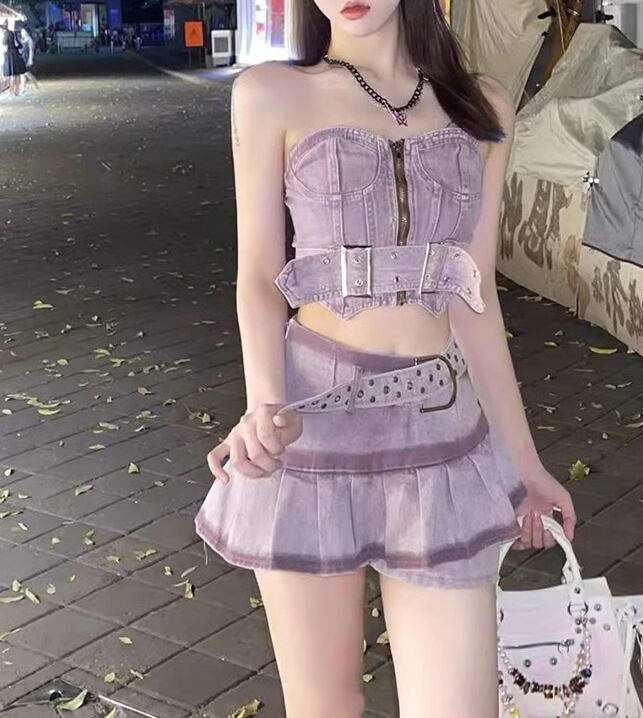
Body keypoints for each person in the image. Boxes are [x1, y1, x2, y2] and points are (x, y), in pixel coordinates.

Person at [195, 2, 577, 717]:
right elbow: (259, 276)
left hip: (439, 437)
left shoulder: (482, 106)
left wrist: (525, 465)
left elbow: (475, 297)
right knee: (326, 708)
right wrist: (264, 402)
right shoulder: (271, 93)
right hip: (311, 435)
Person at [0, 22, 26, 97]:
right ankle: (17, 91)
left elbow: (5, 48)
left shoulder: (5, 35)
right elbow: (17, 43)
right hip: (15, 54)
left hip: (9, 55)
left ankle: (11, 92)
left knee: (12, 74)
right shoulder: (12, 33)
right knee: (16, 74)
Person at [19, 26, 38, 93]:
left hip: (27, 57)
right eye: (22, 32)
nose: (22, 33)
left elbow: (31, 50)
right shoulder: (22, 39)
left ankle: (34, 83)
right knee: (22, 73)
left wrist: (30, 59)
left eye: (24, 31)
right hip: (22, 57)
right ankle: (23, 88)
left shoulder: (30, 40)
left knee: (26, 73)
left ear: (27, 32)